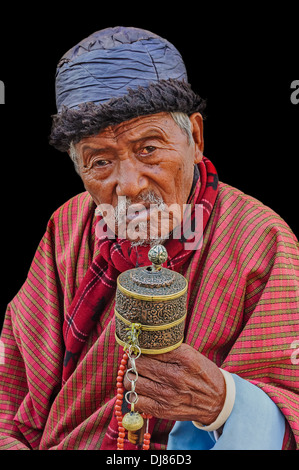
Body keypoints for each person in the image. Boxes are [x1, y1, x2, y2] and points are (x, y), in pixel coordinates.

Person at [0, 26, 298, 451]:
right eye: (100, 161)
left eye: (148, 149)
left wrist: (225, 403)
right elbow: (10, 386)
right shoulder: (67, 225)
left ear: (195, 138)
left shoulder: (261, 241)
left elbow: (292, 406)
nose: (130, 186)